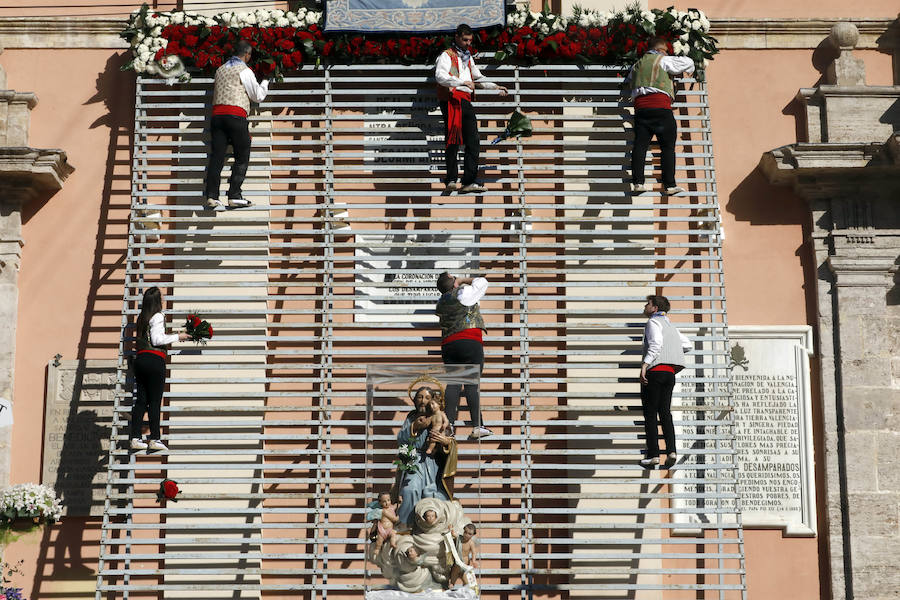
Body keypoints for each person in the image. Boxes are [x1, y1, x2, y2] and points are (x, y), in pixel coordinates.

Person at [435, 23, 508, 194]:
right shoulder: (446, 56)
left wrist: (495, 87)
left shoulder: (468, 57)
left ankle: (468, 181)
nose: (468, 43)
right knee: (452, 139)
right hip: (452, 100)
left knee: (473, 140)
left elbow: (478, 77)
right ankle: (451, 179)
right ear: (457, 37)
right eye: (465, 40)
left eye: (470, 40)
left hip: (465, 101)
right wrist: (461, 82)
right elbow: (440, 76)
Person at [203, 39, 269, 211]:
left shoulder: (220, 70)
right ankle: (234, 195)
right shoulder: (245, 71)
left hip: (217, 116)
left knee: (217, 156)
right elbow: (258, 96)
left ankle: (212, 196)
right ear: (247, 54)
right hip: (235, 116)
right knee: (242, 152)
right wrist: (265, 81)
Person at [626, 36, 695, 195]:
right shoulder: (662, 60)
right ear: (658, 50)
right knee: (667, 147)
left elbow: (630, 81)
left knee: (640, 146)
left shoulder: (637, 65)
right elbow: (688, 63)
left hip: (641, 110)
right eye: (665, 51)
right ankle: (669, 185)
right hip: (661, 108)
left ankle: (638, 182)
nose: (666, 54)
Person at [391, 381, 458, 527]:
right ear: (415, 400)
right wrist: (415, 427)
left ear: (433, 401)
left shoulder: (440, 416)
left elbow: (451, 440)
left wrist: (444, 441)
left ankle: (435, 527)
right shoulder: (411, 417)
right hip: (415, 461)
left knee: (435, 495)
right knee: (410, 490)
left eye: (427, 398)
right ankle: (406, 526)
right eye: (420, 397)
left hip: (435, 464)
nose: (423, 401)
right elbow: (401, 439)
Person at [131, 287, 190, 451]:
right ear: (157, 302)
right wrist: (180, 336)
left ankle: (135, 437)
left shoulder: (141, 317)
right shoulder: (157, 316)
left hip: (140, 360)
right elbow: (157, 340)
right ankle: (154, 438)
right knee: (155, 401)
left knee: (141, 401)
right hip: (154, 360)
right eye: (162, 298)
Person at [435, 272, 490, 439]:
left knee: (453, 385)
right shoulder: (462, 293)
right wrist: (463, 280)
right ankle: (477, 426)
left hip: (449, 345)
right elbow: (482, 282)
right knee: (471, 384)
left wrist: (455, 282)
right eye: (454, 277)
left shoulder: (440, 302)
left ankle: (448, 426)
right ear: (453, 283)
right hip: (469, 342)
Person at [639, 295, 691, 468]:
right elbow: (687, 345)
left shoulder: (653, 323)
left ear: (654, 308)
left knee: (651, 414)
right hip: (670, 374)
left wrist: (645, 365)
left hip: (656, 372)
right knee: (665, 413)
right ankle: (672, 450)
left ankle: (653, 454)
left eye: (648, 304)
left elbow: (656, 344)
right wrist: (672, 353)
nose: (645, 306)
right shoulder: (671, 326)